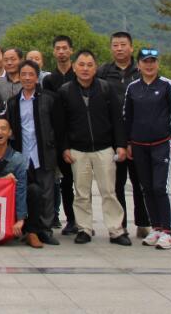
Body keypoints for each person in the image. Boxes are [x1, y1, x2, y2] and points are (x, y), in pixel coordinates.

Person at [57, 50, 130, 245]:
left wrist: (121, 145)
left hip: (104, 148)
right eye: (81, 65)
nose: (85, 69)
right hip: (78, 150)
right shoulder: (65, 91)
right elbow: (61, 124)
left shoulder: (105, 88)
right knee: (81, 193)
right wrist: (64, 148)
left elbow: (117, 119)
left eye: (89, 65)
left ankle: (116, 230)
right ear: (74, 67)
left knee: (109, 191)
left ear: (95, 67)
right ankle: (84, 229)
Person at [123, 47, 171, 250]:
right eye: (145, 62)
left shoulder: (167, 85)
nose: (149, 65)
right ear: (138, 65)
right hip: (139, 146)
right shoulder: (132, 88)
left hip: (161, 144)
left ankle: (167, 231)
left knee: (160, 187)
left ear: (157, 64)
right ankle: (156, 227)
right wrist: (128, 142)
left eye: (152, 61)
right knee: (146, 188)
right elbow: (127, 116)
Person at [97, 31, 150, 239]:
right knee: (116, 184)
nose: (119, 48)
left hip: (139, 136)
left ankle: (143, 222)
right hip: (113, 138)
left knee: (140, 182)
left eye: (123, 44)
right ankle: (121, 224)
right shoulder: (103, 72)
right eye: (115, 45)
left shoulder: (141, 70)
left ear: (131, 47)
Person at [6, 60, 61, 247]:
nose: (27, 78)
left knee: (47, 193)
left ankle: (44, 230)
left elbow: (58, 127)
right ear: (19, 77)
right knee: (24, 192)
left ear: (37, 77)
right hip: (22, 154)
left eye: (31, 74)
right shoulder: (13, 102)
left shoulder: (49, 98)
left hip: (43, 152)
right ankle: (27, 229)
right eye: (24, 74)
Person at [43, 35, 77, 235]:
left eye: (65, 48)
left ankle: (83, 221)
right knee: (64, 182)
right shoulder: (49, 80)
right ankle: (70, 219)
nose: (62, 52)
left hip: (78, 135)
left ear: (71, 50)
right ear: (54, 51)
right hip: (57, 136)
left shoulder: (79, 74)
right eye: (58, 48)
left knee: (81, 183)